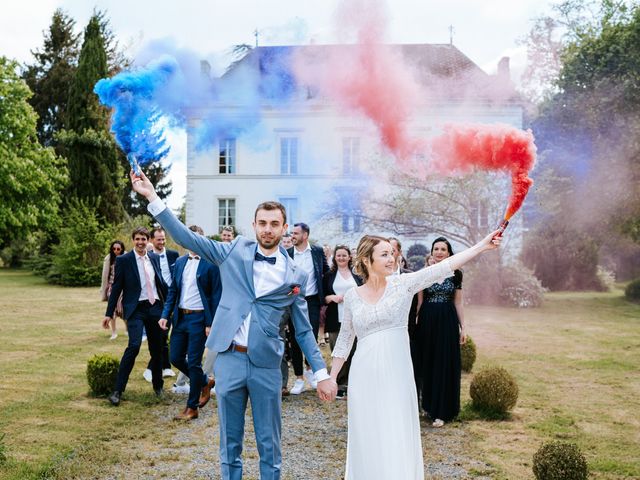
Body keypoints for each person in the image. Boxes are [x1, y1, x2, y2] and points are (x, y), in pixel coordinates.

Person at [130, 170, 337, 479]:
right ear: (254, 225)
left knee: (270, 444)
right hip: (229, 358)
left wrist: (321, 374)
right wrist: (152, 197)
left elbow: (304, 329)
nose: (268, 230)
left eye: (274, 224)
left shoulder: (296, 275)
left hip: (267, 364)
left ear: (285, 229)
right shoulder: (232, 251)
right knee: (229, 444)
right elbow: (188, 238)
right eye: (263, 223)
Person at [330, 231, 501, 479]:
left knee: (395, 429)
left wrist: (482, 246)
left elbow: (445, 266)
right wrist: (333, 377)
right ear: (367, 260)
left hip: (396, 374)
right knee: (367, 432)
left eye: (392, 253)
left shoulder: (403, 284)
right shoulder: (353, 297)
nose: (392, 258)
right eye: (385, 254)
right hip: (363, 376)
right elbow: (345, 339)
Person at [159, 225, 222, 420]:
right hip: (180, 317)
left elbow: (215, 296)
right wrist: (164, 314)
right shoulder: (179, 262)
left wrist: (210, 322)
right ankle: (205, 381)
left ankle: (191, 407)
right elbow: (172, 292)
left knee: (194, 362)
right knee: (175, 357)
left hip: (199, 318)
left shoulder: (211, 264)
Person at [102, 227, 168, 406]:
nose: (140, 242)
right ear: (133, 240)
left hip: (155, 308)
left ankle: (158, 387)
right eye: (137, 239)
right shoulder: (124, 260)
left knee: (157, 349)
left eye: (143, 239)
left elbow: (160, 283)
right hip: (135, 309)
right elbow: (116, 288)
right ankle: (118, 390)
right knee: (134, 346)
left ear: (148, 240)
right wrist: (109, 313)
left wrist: (168, 309)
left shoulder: (153, 257)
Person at [415, 237, 466, 428]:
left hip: (447, 321)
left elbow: (458, 302)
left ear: (449, 253)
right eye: (435, 249)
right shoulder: (424, 274)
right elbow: (420, 303)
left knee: (444, 363)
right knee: (428, 362)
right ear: (432, 252)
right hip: (428, 321)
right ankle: (428, 405)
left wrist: (463, 328)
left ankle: (443, 410)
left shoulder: (456, 274)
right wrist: (416, 323)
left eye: (442, 249)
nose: (438, 252)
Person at [287, 222, 330, 395]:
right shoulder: (287, 253)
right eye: (292, 233)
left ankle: (309, 369)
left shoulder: (317, 252)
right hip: (292, 301)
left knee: (310, 337)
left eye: (296, 233)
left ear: (305, 235)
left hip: (312, 301)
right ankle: (298, 378)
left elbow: (326, 273)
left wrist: (327, 295)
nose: (293, 236)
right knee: (295, 339)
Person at [323, 245, 362, 398]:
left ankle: (351, 383)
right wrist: (332, 298)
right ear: (334, 257)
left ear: (349, 257)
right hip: (335, 318)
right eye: (338, 255)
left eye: (344, 255)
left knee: (353, 351)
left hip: (355, 318)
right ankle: (338, 383)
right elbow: (323, 298)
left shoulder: (357, 275)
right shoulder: (329, 276)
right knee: (338, 351)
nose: (341, 258)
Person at [143, 228, 178, 382]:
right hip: (157, 300)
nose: (162, 242)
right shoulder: (148, 257)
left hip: (172, 299)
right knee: (161, 335)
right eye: (158, 239)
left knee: (165, 335)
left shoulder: (173, 255)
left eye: (163, 239)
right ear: (152, 240)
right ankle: (153, 368)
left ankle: (166, 367)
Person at [100, 240, 126, 340]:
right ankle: (114, 332)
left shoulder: (126, 258)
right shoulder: (109, 259)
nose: (116, 251)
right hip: (112, 287)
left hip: (124, 289)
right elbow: (105, 276)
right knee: (112, 310)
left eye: (118, 249)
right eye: (114, 249)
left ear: (122, 249)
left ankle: (127, 329)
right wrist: (104, 289)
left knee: (123, 309)